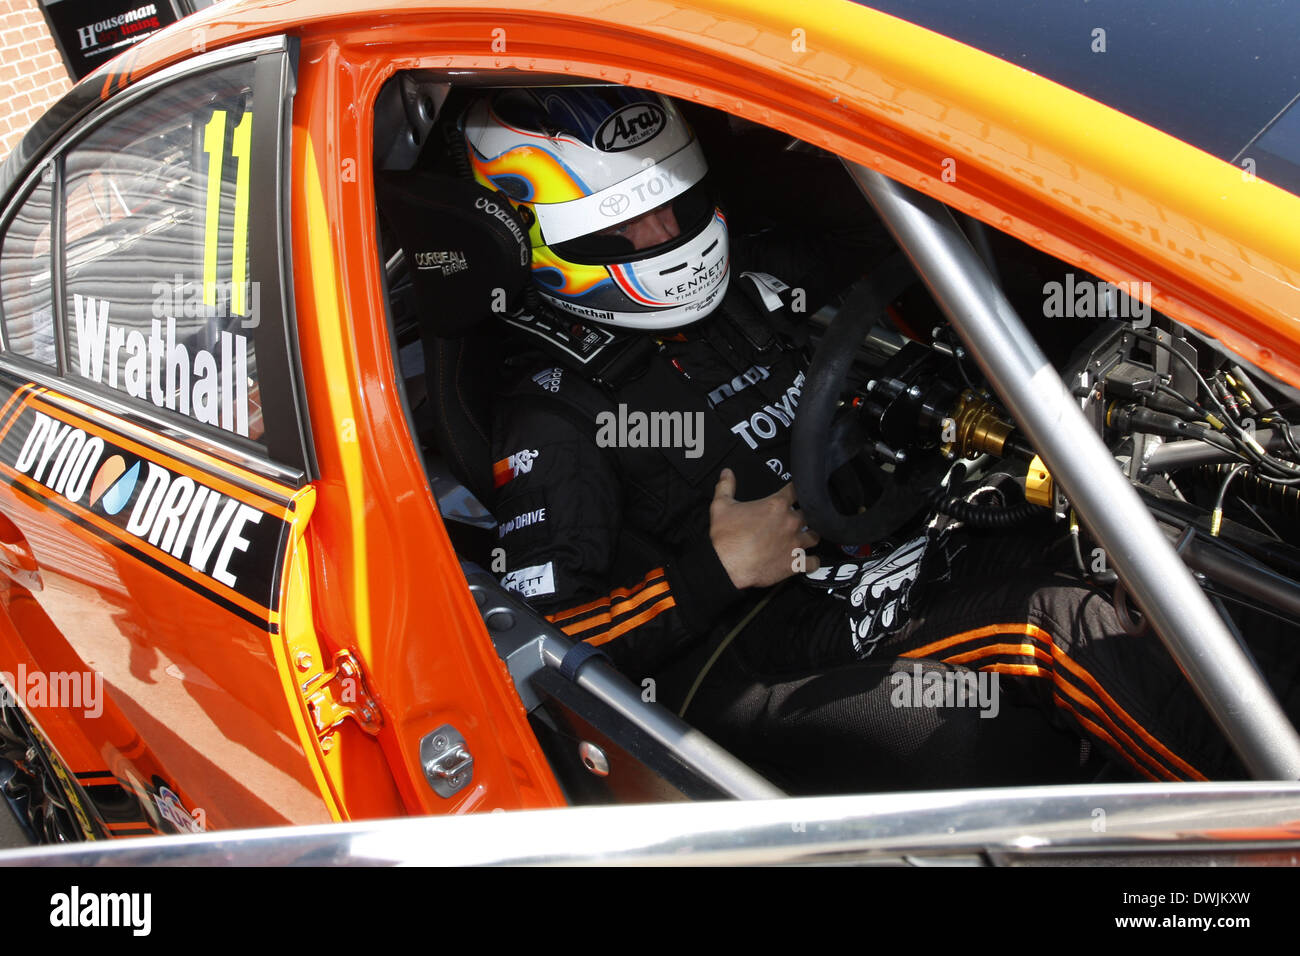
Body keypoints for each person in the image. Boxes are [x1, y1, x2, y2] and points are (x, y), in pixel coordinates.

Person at [463, 86, 1296, 793]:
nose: (662, 238)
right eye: (622, 228)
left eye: (673, 204)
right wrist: (713, 570)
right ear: (528, 239)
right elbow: (538, 637)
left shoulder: (750, 280)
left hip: (895, 531)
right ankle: (1269, 815)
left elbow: (894, 240)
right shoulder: (556, 407)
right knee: (1054, 624)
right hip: (766, 632)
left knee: (1131, 546)